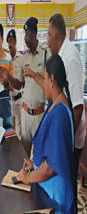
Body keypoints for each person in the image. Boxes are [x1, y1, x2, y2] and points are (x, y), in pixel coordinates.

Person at [17, 54, 75, 214]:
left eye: (44, 78)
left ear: (52, 80)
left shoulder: (59, 114)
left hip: (54, 195)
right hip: (47, 186)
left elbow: (51, 167)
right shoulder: (57, 102)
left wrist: (27, 178)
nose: (43, 84)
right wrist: (34, 165)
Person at [47, 13, 85, 213]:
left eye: (49, 35)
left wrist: (67, 144)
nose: (47, 41)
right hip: (65, 135)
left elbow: (77, 107)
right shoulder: (61, 56)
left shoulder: (69, 59)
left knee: (69, 186)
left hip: (71, 138)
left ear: (57, 35)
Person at [0, 17, 49, 157]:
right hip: (25, 113)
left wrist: (34, 74)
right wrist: (8, 77)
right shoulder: (24, 57)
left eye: (27, 34)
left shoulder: (45, 54)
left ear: (33, 33)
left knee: (39, 154)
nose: (25, 38)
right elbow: (19, 84)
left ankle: (37, 178)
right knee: (24, 154)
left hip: (39, 115)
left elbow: (49, 85)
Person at [6, 29, 23, 140]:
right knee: (10, 133)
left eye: (11, 40)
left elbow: (23, 82)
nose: (10, 44)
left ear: (15, 42)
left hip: (18, 101)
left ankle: (19, 157)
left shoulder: (21, 59)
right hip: (8, 102)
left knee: (19, 132)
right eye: (8, 41)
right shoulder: (6, 60)